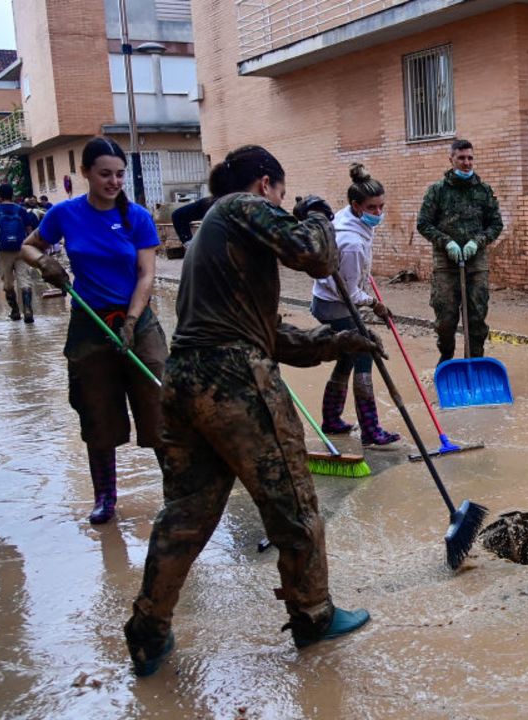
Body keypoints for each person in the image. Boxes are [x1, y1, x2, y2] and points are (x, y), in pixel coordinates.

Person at [122, 145, 380, 677]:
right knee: (293, 499)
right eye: (280, 195)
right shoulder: (241, 206)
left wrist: (336, 341)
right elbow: (316, 254)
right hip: (233, 379)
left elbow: (270, 337)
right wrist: (315, 213)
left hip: (185, 379)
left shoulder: (213, 237)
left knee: (186, 515)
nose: (280, 204)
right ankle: (313, 615)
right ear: (266, 184)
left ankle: (148, 630)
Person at [18, 138, 166, 525]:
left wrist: (133, 322)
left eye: (119, 174)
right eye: (105, 174)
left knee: (159, 404)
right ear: (84, 173)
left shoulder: (137, 217)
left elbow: (146, 275)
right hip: (89, 322)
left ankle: (178, 494)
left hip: (137, 319)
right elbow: (28, 247)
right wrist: (44, 264)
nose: (114, 181)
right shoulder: (65, 214)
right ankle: (105, 498)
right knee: (95, 409)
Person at [309, 163, 399, 446]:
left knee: (347, 354)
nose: (379, 213)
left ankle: (332, 420)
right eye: (372, 208)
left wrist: (363, 277)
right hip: (334, 305)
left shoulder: (349, 219)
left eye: (381, 206)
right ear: (356, 205)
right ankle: (371, 431)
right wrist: (375, 304)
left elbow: (354, 277)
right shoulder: (351, 243)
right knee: (363, 352)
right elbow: (349, 293)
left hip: (329, 297)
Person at [417, 138, 503, 363]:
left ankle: (474, 362)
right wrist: (446, 242)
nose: (467, 163)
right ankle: (446, 359)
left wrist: (478, 241)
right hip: (446, 265)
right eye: (462, 158)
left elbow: (496, 224)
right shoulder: (437, 191)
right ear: (451, 159)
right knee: (445, 318)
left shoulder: (484, 191)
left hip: (476, 264)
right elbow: (423, 223)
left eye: (470, 158)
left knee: (476, 317)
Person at [0, 183, 38, 322]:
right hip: (21, 248)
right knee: (25, 279)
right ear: (12, 195)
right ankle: (28, 311)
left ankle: (15, 311)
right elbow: (29, 229)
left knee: (8, 282)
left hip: (3, 250)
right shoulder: (21, 210)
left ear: (0, 196)